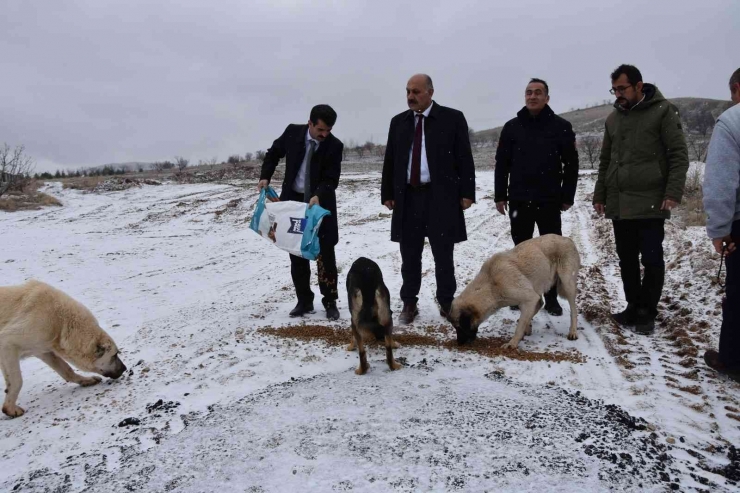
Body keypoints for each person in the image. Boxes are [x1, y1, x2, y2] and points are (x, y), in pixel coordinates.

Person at [593, 64, 688, 334]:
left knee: (652, 259)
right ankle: (633, 306)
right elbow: (605, 161)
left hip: (651, 201)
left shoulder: (663, 112)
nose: (618, 94)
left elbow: (678, 155)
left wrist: (672, 192)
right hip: (620, 202)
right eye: (614, 89)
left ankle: (648, 311)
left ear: (638, 85)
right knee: (626, 259)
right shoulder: (613, 119)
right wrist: (601, 193)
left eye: (622, 88)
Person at [381, 74, 476, 324]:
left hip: (440, 197)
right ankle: (409, 302)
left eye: (416, 91)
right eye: (408, 91)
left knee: (443, 254)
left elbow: (464, 157)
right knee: (409, 254)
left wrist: (467, 193)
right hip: (408, 198)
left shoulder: (452, 119)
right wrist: (387, 193)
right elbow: (390, 159)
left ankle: (446, 301)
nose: (410, 96)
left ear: (430, 92)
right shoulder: (398, 122)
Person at [494, 78, 579, 315]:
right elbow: (502, 164)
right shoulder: (512, 127)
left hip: (549, 200)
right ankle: (520, 294)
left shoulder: (561, 126)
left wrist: (567, 196)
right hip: (519, 199)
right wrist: (500, 195)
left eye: (538, 93)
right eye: (529, 92)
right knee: (520, 252)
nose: (533, 96)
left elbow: (571, 164)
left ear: (547, 98)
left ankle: (550, 298)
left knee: (550, 254)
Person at [259, 105, 343, 320]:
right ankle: (304, 302)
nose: (324, 135)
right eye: (320, 130)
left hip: (319, 204)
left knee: (325, 254)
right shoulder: (292, 133)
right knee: (296, 252)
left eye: (328, 130)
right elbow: (273, 153)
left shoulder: (334, 146)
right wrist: (265, 177)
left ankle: (330, 302)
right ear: (310, 123)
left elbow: (331, 179)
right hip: (293, 204)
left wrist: (318, 195)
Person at [702, 67, 740, 381]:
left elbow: (721, 184)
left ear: (737, 88)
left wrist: (720, 230)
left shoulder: (731, 121)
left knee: (739, 294)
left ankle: (732, 360)